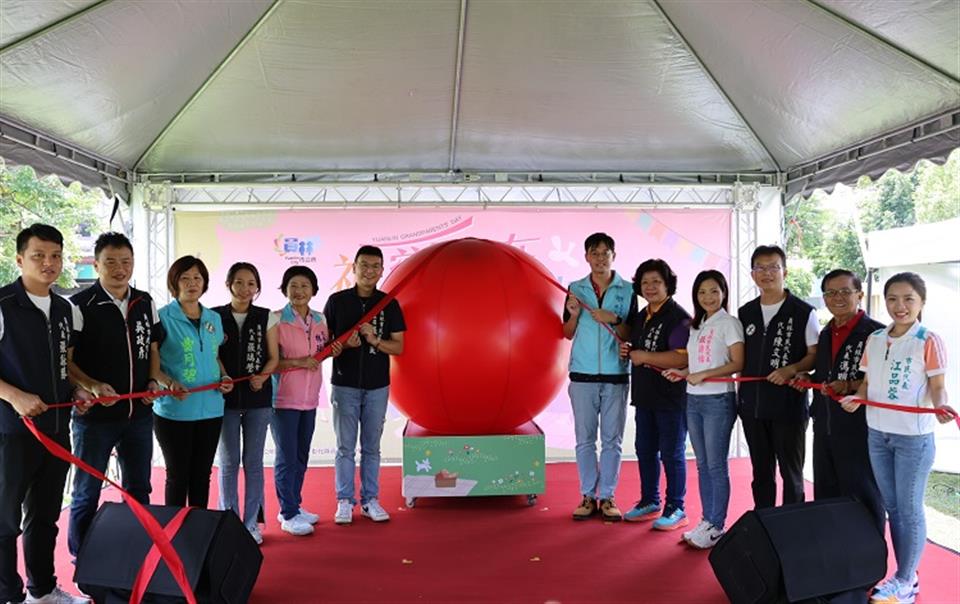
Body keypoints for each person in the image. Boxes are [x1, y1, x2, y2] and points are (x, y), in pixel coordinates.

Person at [841, 273, 955, 604]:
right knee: (892, 507)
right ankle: (907, 574)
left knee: (908, 509)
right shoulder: (875, 338)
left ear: (922, 302)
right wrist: (856, 399)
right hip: (877, 433)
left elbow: (937, 386)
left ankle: (905, 579)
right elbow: (866, 383)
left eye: (908, 299)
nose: (899, 306)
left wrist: (940, 405)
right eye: (893, 298)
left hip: (913, 439)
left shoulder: (928, 340)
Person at [0, 224, 92, 604]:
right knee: (5, 522)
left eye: (55, 255)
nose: (48, 263)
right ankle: (8, 595)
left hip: (56, 429)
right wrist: (14, 396)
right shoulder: (3, 304)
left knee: (45, 517)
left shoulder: (65, 309)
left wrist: (79, 391)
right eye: (38, 255)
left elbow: (62, 366)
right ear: (20, 259)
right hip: (11, 433)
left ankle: (42, 590)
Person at [67, 232, 162, 560]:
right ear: (96, 265)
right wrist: (91, 385)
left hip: (139, 416)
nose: (120, 269)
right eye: (111, 262)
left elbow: (152, 350)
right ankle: (82, 558)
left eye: (126, 262)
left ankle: (137, 553)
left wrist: (154, 380)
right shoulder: (79, 305)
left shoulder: (145, 301)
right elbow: (66, 361)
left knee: (139, 490)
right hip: (95, 420)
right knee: (86, 492)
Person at [792, 269, 884, 532]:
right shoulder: (825, 333)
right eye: (831, 293)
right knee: (827, 491)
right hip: (824, 424)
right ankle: (832, 553)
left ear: (860, 294)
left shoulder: (876, 334)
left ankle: (869, 555)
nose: (838, 298)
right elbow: (824, 375)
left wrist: (848, 386)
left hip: (859, 427)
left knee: (862, 491)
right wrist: (806, 376)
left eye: (845, 291)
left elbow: (881, 381)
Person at [324, 245, 405, 525]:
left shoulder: (389, 304)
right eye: (364, 265)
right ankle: (344, 501)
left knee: (372, 447)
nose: (369, 271)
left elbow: (399, 347)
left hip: (377, 386)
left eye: (375, 266)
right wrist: (342, 346)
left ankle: (370, 500)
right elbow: (324, 345)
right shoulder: (337, 302)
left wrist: (375, 341)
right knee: (345, 447)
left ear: (381, 270)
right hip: (344, 384)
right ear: (354, 268)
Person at [663, 270, 743, 548]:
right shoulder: (697, 325)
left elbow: (737, 363)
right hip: (693, 398)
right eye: (701, 292)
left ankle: (717, 524)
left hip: (718, 400)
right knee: (702, 464)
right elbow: (697, 366)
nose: (708, 297)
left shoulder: (729, 323)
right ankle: (707, 520)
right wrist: (683, 371)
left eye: (714, 291)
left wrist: (704, 375)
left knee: (716, 465)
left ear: (723, 293)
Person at [738, 245, 818, 508]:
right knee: (761, 473)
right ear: (752, 274)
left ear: (785, 271)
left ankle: (792, 530)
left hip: (788, 408)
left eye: (773, 267)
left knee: (791, 475)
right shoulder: (745, 312)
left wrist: (791, 369)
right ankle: (765, 525)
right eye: (760, 268)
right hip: (752, 407)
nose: (767, 273)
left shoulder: (803, 312)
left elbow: (814, 355)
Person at [563, 232, 635, 521]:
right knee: (584, 440)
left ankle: (607, 496)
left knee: (612, 440)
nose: (600, 258)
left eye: (606, 252)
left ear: (614, 256)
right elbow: (567, 333)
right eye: (595, 252)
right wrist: (572, 314)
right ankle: (587, 496)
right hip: (582, 374)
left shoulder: (628, 290)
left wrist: (614, 319)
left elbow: (633, 333)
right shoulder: (575, 288)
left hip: (616, 374)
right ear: (586, 257)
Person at [151, 256, 233, 508]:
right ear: (174, 283)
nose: (192, 283)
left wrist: (225, 376)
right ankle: (173, 537)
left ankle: (199, 531)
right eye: (185, 278)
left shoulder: (213, 318)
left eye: (197, 278)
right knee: (177, 477)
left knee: (202, 476)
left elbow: (214, 355)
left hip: (211, 408)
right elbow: (152, 366)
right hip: (174, 412)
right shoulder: (161, 317)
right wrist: (168, 383)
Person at [620, 259, 691, 530]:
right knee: (645, 450)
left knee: (672, 453)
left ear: (668, 285)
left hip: (671, 398)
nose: (650, 287)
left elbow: (680, 359)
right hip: (645, 395)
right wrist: (631, 352)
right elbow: (636, 349)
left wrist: (643, 356)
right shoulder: (642, 315)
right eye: (645, 282)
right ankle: (650, 500)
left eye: (656, 282)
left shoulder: (679, 317)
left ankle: (677, 507)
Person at [213, 262, 278, 545]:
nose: (245, 288)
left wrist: (263, 377)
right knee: (228, 463)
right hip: (224, 401)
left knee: (253, 462)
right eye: (239, 282)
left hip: (257, 401)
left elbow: (274, 357)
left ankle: (251, 523)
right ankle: (229, 521)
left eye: (251, 283)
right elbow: (212, 354)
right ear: (229, 285)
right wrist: (223, 374)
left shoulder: (268, 317)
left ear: (257, 287)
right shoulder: (214, 316)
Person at [269, 266, 331, 536]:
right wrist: (298, 362)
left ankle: (295, 503)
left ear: (314, 290)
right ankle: (288, 513)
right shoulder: (275, 320)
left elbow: (319, 353)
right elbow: (270, 363)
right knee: (286, 457)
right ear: (285, 289)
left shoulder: (320, 319)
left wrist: (330, 352)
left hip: (309, 399)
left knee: (301, 455)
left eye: (305, 286)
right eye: (293, 285)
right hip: (283, 399)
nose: (299, 291)